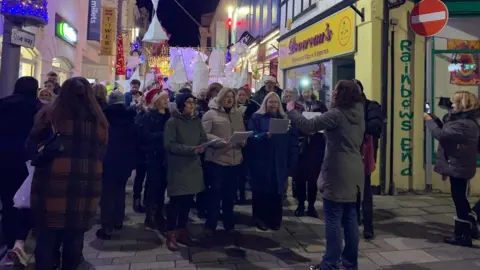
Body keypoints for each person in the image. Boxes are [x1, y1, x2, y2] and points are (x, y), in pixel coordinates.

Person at [26, 77, 108, 270]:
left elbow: (29, 148)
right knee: (74, 238)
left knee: (46, 237)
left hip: (51, 186)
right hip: (85, 187)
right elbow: (102, 153)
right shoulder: (99, 121)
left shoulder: (50, 115)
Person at [286, 80, 365, 270]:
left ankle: (330, 264)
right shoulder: (359, 113)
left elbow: (307, 125)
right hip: (355, 169)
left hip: (337, 171)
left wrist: (291, 109)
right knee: (350, 219)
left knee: (333, 219)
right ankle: (350, 263)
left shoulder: (336, 115)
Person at [425, 91, 480, 247]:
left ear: (462, 105)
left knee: (459, 199)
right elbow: (447, 129)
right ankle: (469, 228)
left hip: (459, 166)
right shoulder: (462, 120)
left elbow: (441, 134)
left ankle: (464, 234)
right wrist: (434, 117)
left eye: (454, 103)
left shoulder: (465, 124)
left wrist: (429, 122)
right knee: (460, 198)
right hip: (458, 164)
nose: (452, 105)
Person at [0, 77, 40, 266]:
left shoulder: (3, 104)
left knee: (8, 203)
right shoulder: (38, 108)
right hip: (28, 163)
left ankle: (9, 245)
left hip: (4, 160)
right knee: (25, 202)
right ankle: (20, 241)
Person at [247, 92, 299, 231]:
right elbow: (251, 136)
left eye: (275, 102)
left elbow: (292, 140)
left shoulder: (284, 119)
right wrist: (265, 135)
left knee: (277, 192)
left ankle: (275, 220)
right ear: (265, 103)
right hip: (262, 161)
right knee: (261, 191)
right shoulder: (257, 117)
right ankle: (260, 218)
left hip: (280, 161)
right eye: (270, 102)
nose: (273, 104)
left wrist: (292, 161)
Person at [164, 92, 208, 251]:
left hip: (193, 167)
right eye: (188, 102)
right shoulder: (172, 122)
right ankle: (171, 235)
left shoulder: (196, 121)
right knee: (176, 203)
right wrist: (191, 149)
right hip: (178, 167)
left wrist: (203, 146)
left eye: (192, 102)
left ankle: (182, 231)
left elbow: (203, 138)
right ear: (181, 104)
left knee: (187, 203)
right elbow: (169, 145)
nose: (192, 105)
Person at [202, 88, 245, 236]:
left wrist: (242, 140)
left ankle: (229, 223)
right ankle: (211, 223)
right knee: (215, 193)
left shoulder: (237, 114)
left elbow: (241, 131)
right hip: (217, 159)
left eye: (231, 97)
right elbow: (204, 134)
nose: (229, 99)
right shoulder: (210, 114)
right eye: (226, 97)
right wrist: (218, 141)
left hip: (234, 160)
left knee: (230, 195)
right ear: (220, 98)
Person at [96, 91, 137, 240]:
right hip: (125, 160)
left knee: (107, 193)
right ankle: (118, 219)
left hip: (108, 159)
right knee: (120, 190)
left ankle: (107, 225)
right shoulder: (130, 117)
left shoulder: (104, 117)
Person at [353, 79, 383, 240]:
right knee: (352, 190)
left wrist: (356, 127)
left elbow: (376, 127)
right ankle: (354, 218)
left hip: (364, 153)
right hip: (349, 153)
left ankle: (368, 225)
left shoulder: (372, 106)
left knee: (365, 190)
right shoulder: (345, 107)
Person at [293, 88, 327, 218]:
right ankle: (300, 205)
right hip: (301, 145)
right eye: (304, 91)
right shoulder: (296, 106)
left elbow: (325, 121)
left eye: (309, 91)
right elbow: (293, 122)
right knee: (300, 178)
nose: (306, 94)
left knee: (313, 179)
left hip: (315, 145)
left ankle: (311, 206)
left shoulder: (321, 105)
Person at [142, 89, 171, 230]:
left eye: (167, 98)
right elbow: (146, 135)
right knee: (153, 184)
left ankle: (159, 212)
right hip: (153, 155)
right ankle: (150, 215)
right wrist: (163, 134)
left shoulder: (169, 116)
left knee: (163, 185)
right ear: (156, 101)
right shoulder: (149, 117)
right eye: (163, 98)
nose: (166, 100)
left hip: (166, 155)